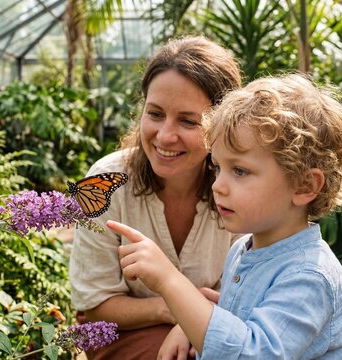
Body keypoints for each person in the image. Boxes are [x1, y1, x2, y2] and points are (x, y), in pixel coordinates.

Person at [107, 74, 342, 359]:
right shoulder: (243, 248)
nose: (218, 185)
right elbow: (233, 318)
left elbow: (252, 352)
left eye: (240, 171)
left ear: (305, 185)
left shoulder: (309, 276)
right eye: (217, 167)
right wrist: (186, 326)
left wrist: (169, 280)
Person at [69, 35, 242, 359]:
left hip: (216, 327)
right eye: (155, 114)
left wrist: (193, 322)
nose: (164, 136)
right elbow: (94, 306)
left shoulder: (240, 189)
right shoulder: (106, 183)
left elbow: (245, 292)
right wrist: (176, 309)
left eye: (188, 121)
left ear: (222, 124)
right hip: (122, 332)